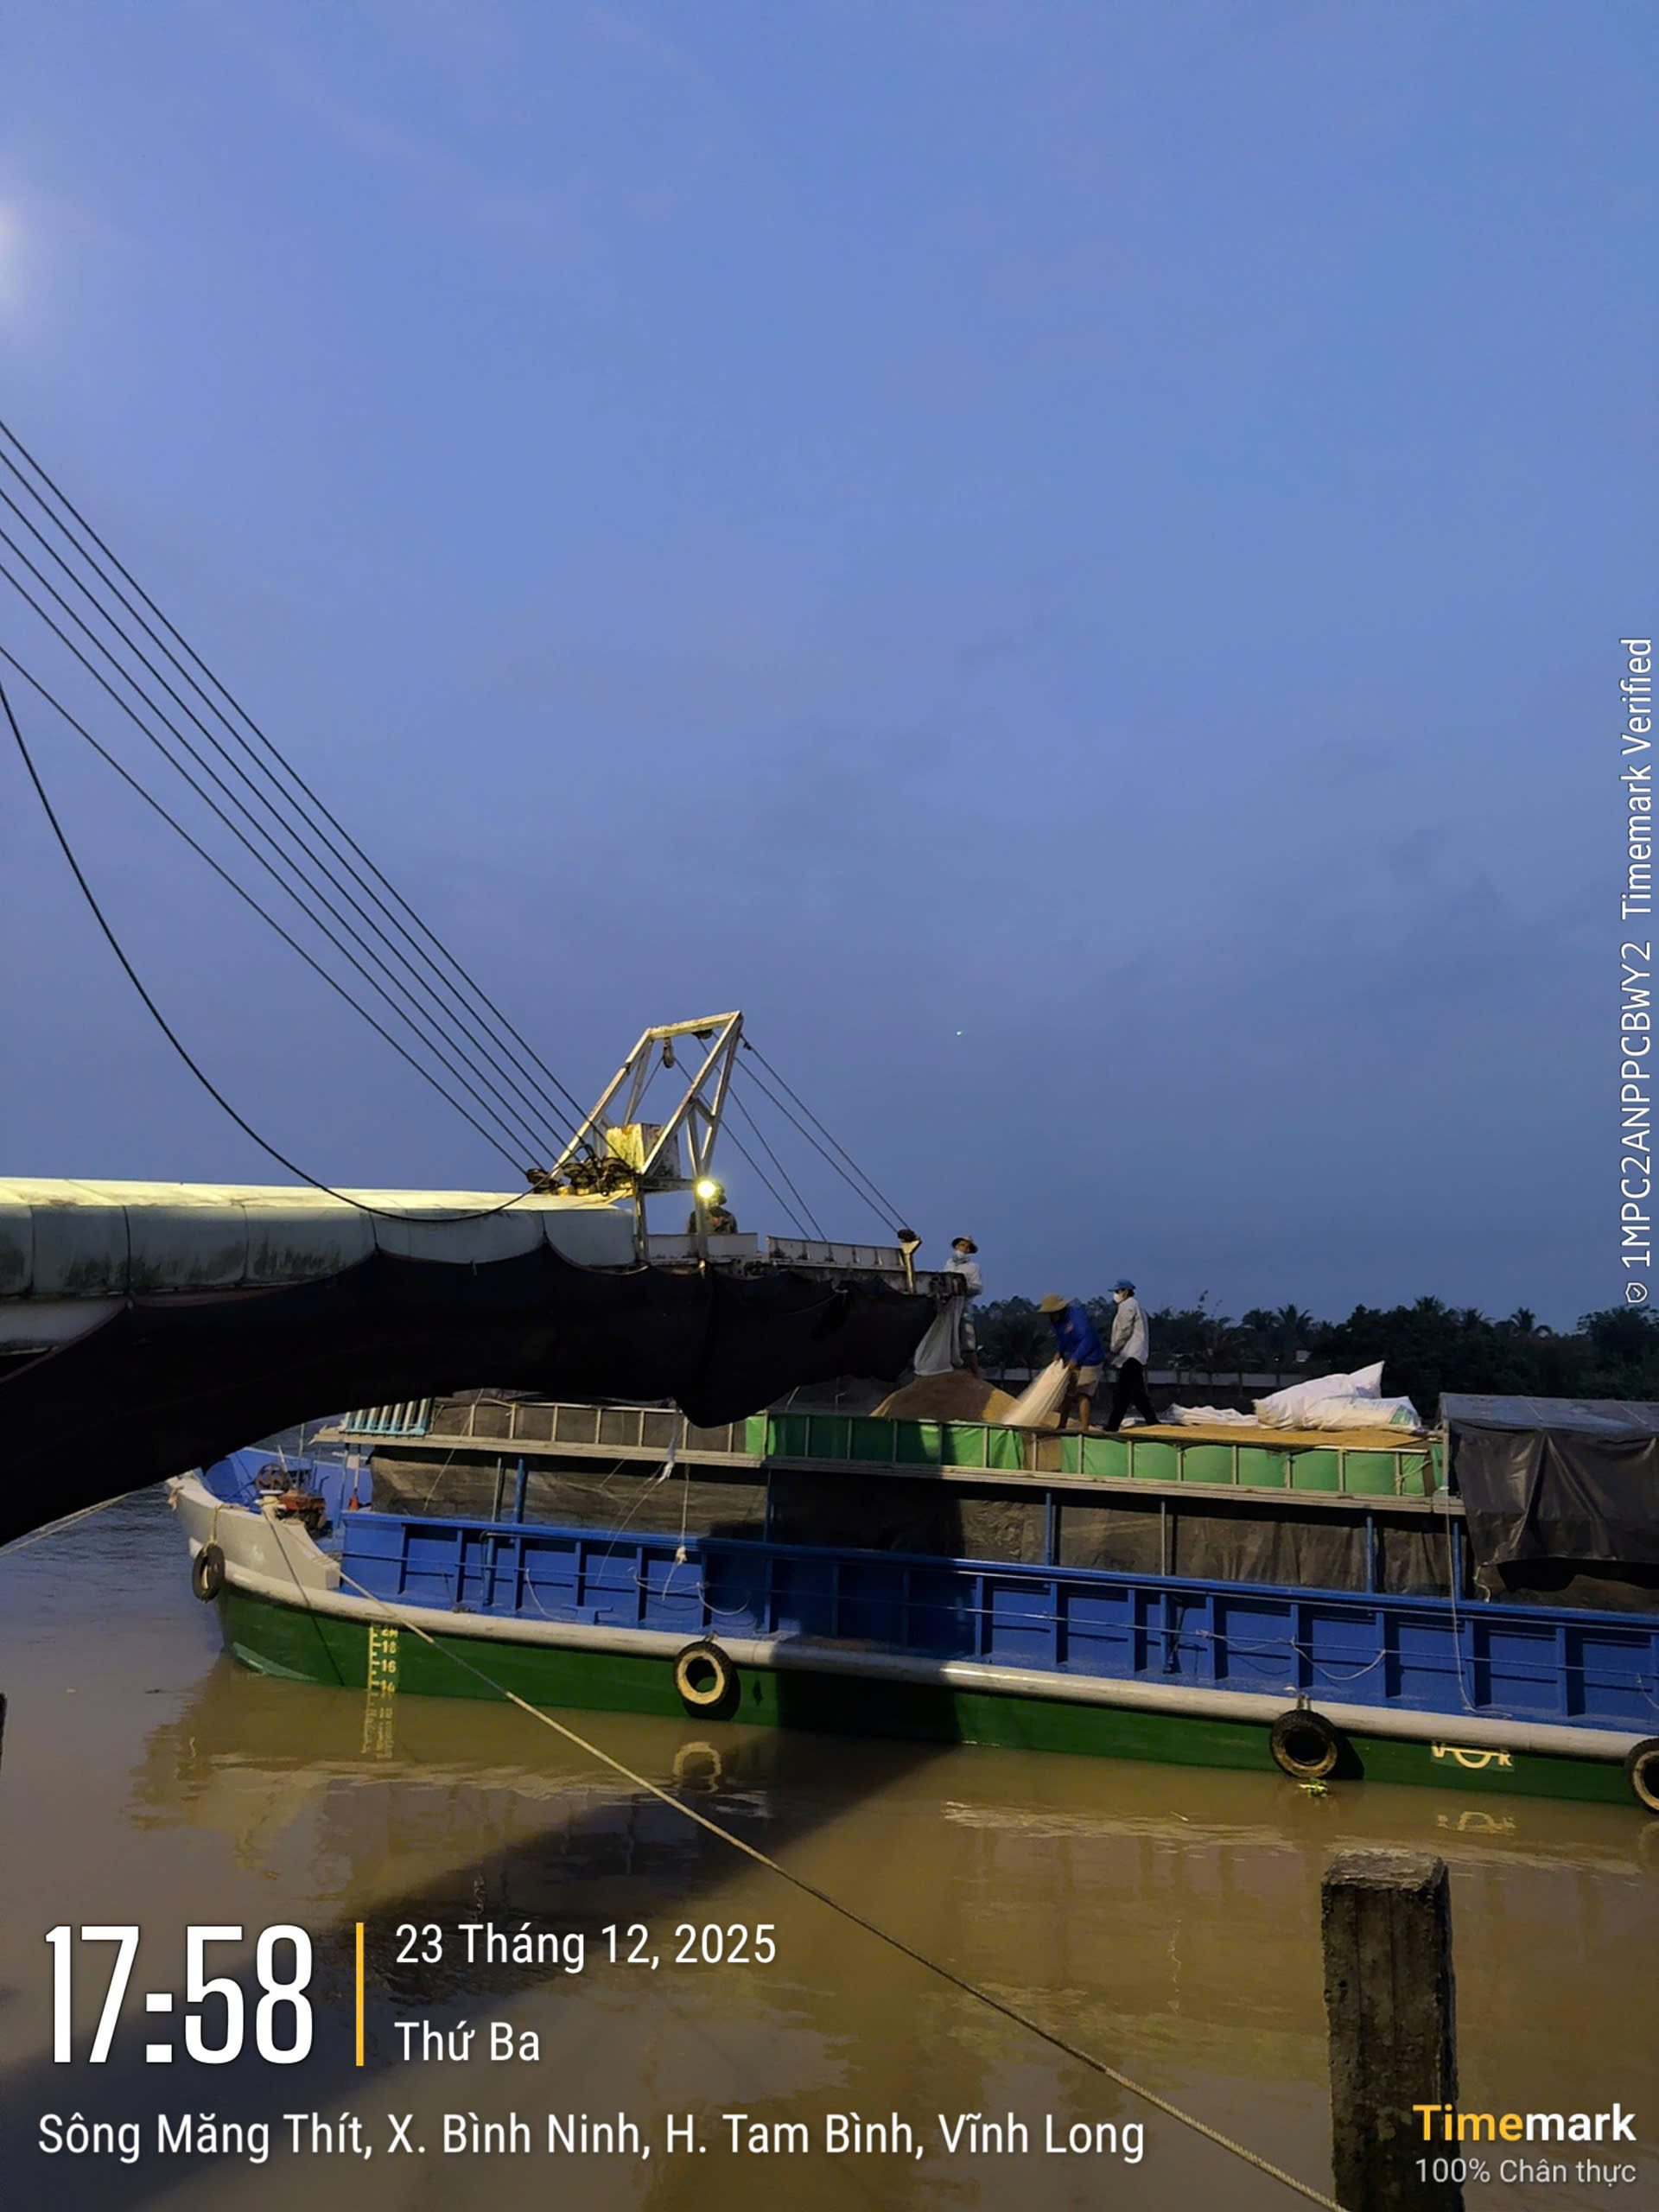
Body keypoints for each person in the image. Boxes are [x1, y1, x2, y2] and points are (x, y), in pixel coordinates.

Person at [1038, 1293, 1105, 1432]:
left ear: (1060, 1310)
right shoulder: (1057, 1322)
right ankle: (1062, 1425)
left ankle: (1084, 1428)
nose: (1051, 1316)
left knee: (1083, 1393)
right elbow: (1062, 1339)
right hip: (1073, 1359)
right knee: (1067, 1394)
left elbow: (1087, 1340)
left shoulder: (1077, 1317)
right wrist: (1059, 1352)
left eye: (1052, 1313)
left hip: (1090, 1359)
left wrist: (1076, 1358)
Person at [1104, 1277, 1157, 1431]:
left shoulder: (1128, 1305)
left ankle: (1152, 1421)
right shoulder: (1135, 1306)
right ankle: (1113, 1425)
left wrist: (1114, 1350)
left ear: (1125, 1292)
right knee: (1126, 1394)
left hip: (1130, 1355)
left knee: (1132, 1393)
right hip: (1133, 1355)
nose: (1116, 1294)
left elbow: (1124, 1330)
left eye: (1117, 1291)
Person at [949, 1236, 982, 1375]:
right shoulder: (949, 1264)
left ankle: (975, 1372)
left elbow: (978, 1288)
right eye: (961, 1245)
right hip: (949, 1307)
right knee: (950, 1340)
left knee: (969, 1342)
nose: (963, 1248)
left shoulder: (973, 1267)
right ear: (956, 1247)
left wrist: (964, 1286)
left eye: (966, 1247)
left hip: (964, 1307)